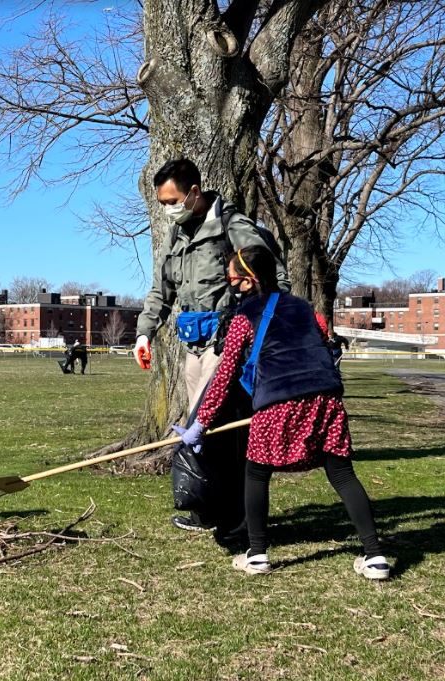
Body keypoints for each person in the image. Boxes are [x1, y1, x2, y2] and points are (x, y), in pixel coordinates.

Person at [176, 246, 389, 580]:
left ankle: (257, 554)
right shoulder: (305, 308)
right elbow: (326, 345)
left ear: (247, 282)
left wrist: (200, 423)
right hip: (326, 399)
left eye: (232, 278)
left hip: (277, 403)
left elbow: (225, 373)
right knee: (342, 474)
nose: (229, 283)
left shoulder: (244, 317)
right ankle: (376, 558)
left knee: (257, 473)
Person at [134, 158, 290, 533]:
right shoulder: (178, 237)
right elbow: (162, 290)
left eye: (173, 200)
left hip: (226, 348)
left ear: (193, 192)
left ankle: (236, 516)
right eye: (162, 203)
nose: (168, 209)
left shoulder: (234, 229)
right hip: (193, 349)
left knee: (223, 434)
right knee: (199, 434)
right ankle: (207, 509)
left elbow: (273, 280)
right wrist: (144, 332)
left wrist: (255, 334)